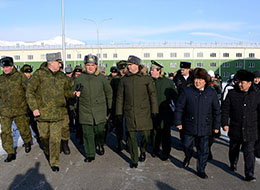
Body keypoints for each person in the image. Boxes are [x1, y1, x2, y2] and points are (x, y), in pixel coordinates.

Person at [26, 52, 74, 172]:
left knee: (55, 139)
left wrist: (73, 94)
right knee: (44, 136)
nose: (60, 65)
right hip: (42, 113)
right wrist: (34, 108)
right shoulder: (39, 74)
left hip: (58, 114)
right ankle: (48, 151)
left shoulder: (62, 76)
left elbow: (67, 93)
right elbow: (30, 92)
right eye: (58, 63)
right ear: (51, 62)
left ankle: (54, 162)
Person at [174, 68, 220, 179]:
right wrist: (178, 121)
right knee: (186, 145)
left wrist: (216, 126)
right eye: (196, 79)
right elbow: (179, 107)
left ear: (205, 81)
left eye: (200, 79)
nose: (197, 82)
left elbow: (217, 111)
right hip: (189, 125)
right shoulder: (187, 91)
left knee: (203, 150)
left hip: (205, 126)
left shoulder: (211, 92)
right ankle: (188, 156)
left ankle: (201, 169)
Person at [116, 55, 158, 168]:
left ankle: (143, 150)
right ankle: (134, 159)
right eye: (128, 65)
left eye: (131, 65)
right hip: (130, 112)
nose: (129, 67)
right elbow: (120, 97)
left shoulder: (146, 79)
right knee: (131, 137)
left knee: (145, 134)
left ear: (138, 66)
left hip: (144, 112)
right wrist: (119, 112)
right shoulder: (124, 80)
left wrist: (155, 110)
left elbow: (152, 95)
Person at [221, 69, 260, 182]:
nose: (240, 84)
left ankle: (249, 173)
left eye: (242, 82)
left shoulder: (256, 95)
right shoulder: (232, 93)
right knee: (233, 149)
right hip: (235, 127)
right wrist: (224, 123)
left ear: (249, 83)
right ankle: (233, 163)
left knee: (249, 152)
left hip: (251, 129)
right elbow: (225, 109)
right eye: (239, 82)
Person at [74, 54, 112, 163]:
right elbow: (73, 91)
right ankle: (90, 154)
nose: (90, 67)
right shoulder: (80, 78)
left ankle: (100, 144)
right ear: (85, 66)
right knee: (87, 133)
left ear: (96, 66)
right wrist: (75, 95)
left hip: (99, 110)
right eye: (88, 65)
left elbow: (108, 93)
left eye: (92, 65)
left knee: (100, 131)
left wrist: (110, 107)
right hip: (85, 110)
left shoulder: (101, 78)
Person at [0, 57, 33, 162]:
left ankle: (27, 141)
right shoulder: (1, 79)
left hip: (20, 109)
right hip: (4, 111)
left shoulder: (20, 77)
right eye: (3, 67)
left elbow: (28, 91)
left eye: (7, 67)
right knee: (5, 132)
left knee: (23, 129)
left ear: (12, 66)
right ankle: (10, 152)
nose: (5, 69)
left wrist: (29, 105)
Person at [150, 60, 178, 161]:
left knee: (165, 133)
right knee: (154, 132)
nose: (151, 72)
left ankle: (166, 152)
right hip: (152, 112)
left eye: (153, 70)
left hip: (165, 112)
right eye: (150, 70)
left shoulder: (168, 82)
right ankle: (155, 149)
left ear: (159, 70)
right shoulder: (149, 81)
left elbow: (175, 97)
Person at [110, 60, 128, 152]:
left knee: (129, 124)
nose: (122, 71)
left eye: (123, 69)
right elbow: (111, 94)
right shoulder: (115, 80)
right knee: (118, 125)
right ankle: (119, 142)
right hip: (118, 105)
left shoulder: (130, 78)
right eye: (120, 69)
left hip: (129, 105)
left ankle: (128, 142)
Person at [253, 70, 260, 158]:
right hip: (252, 113)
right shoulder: (251, 88)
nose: (257, 80)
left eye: (258, 78)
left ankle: (257, 150)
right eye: (255, 78)